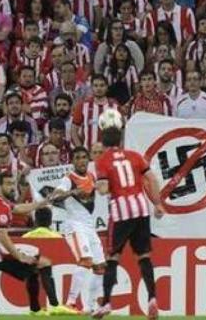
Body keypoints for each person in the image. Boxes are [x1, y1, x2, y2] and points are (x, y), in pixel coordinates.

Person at [93, 127, 165, 319]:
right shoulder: (134, 156)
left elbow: (104, 189)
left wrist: (97, 185)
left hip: (121, 212)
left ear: (104, 143)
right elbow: (151, 179)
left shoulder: (103, 161)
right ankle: (152, 298)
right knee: (144, 256)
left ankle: (106, 303)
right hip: (141, 209)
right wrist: (157, 203)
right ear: (120, 140)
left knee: (113, 258)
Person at [0, 172, 73, 315]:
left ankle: (35, 310)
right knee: (44, 263)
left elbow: (18, 208)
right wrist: (19, 256)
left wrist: (41, 203)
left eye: (13, 183)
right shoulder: (1, 208)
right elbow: (3, 237)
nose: (12, 187)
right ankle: (54, 305)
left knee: (34, 270)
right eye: (8, 184)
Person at [50, 146, 106, 312]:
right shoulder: (68, 179)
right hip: (74, 225)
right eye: (78, 158)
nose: (81, 161)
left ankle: (91, 307)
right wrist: (72, 192)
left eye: (84, 157)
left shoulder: (91, 176)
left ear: (88, 160)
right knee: (86, 261)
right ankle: (71, 302)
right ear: (72, 161)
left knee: (100, 266)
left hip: (89, 226)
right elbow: (54, 197)